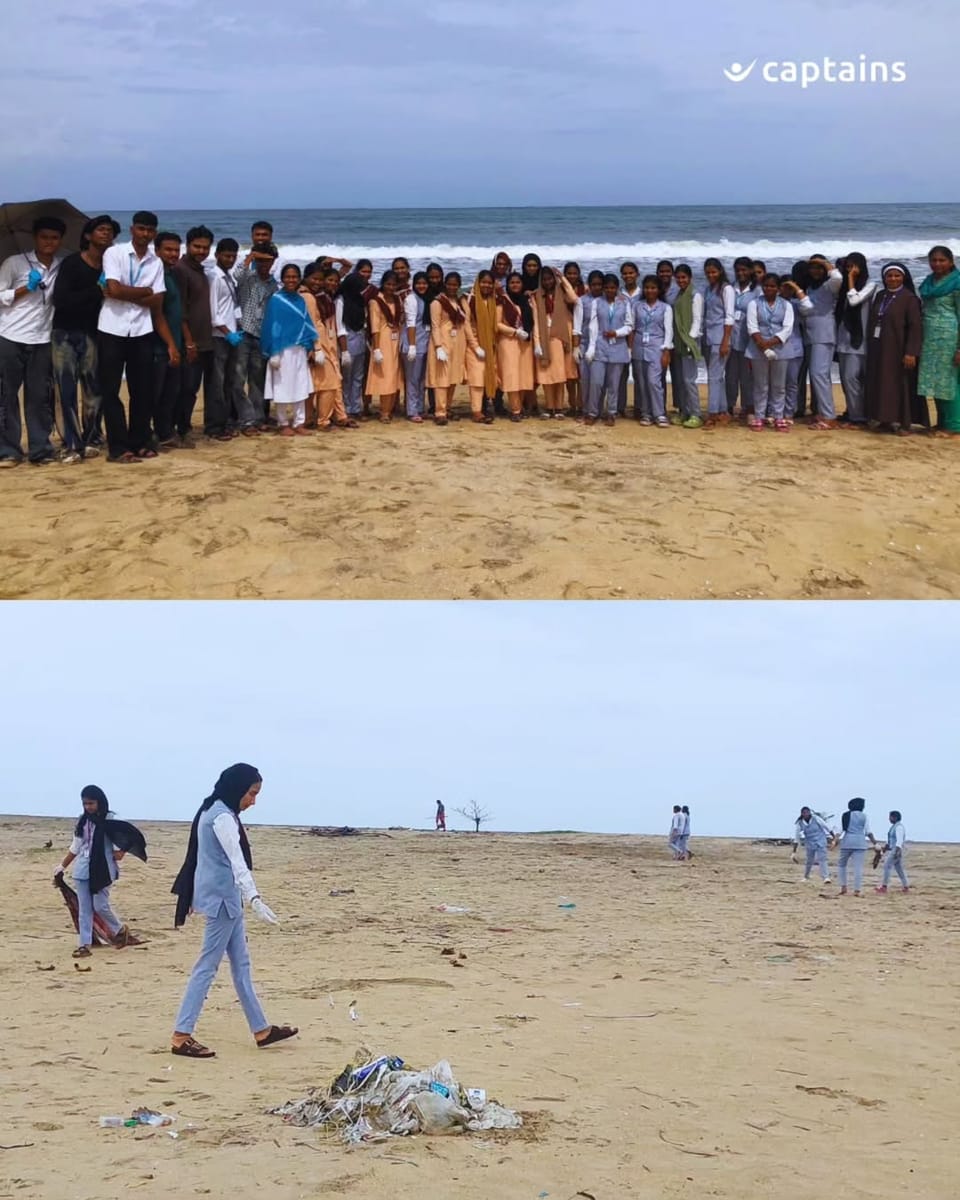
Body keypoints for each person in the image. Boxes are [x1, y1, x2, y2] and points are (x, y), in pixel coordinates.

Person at [170, 764, 298, 1059]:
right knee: (207, 966)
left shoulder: (211, 810)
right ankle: (181, 1035)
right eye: (252, 794)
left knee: (241, 966)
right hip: (223, 901)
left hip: (227, 899)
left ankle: (262, 1030)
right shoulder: (222, 818)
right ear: (237, 788)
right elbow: (236, 861)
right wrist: (254, 898)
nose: (253, 801)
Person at [98, 210, 165, 462]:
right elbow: (112, 289)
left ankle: (139, 442)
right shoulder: (114, 253)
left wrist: (126, 292)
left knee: (142, 391)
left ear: (154, 233)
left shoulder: (155, 262)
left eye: (149, 230)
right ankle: (118, 447)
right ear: (132, 229)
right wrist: (144, 291)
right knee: (111, 390)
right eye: (140, 228)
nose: (145, 234)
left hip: (141, 330)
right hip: (112, 328)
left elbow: (157, 299)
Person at [50, 215, 118, 463]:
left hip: (94, 332)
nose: (106, 234)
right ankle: (70, 443)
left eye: (110, 231)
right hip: (65, 334)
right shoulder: (71, 263)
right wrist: (96, 291)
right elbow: (62, 300)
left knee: (93, 390)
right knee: (65, 390)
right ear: (88, 235)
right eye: (101, 229)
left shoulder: (111, 267)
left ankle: (91, 438)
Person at [0, 215, 65, 467]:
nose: (49, 242)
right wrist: (23, 289)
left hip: (43, 338)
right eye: (44, 237)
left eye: (54, 238)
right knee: (6, 396)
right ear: (35, 238)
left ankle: (40, 448)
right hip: (10, 336)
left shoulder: (61, 265)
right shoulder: (14, 263)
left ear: (60, 240)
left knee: (39, 396)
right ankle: (8, 450)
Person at [54, 785, 147, 958]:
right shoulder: (83, 820)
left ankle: (119, 930)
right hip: (82, 869)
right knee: (85, 909)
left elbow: (130, 834)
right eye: (85, 804)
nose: (88, 807)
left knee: (100, 905)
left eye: (91, 803)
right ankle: (84, 945)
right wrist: (62, 866)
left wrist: (122, 851)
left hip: (103, 869)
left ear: (99, 801)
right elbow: (76, 846)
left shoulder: (111, 818)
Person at [865, 263, 923, 434]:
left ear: (903, 277)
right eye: (889, 276)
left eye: (897, 276)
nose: (893, 279)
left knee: (900, 385)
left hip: (899, 348)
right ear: (884, 278)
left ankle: (904, 422)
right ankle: (885, 419)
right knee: (882, 383)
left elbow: (915, 327)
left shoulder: (910, 298)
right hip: (879, 347)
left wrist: (911, 352)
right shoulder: (880, 295)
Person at [261, 264, 316, 436]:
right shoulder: (277, 299)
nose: (291, 280)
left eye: (294, 277)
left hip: (299, 348)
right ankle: (283, 422)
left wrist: (311, 346)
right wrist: (274, 352)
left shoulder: (300, 299)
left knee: (301, 384)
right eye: (288, 277)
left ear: (299, 278)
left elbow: (306, 324)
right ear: (282, 278)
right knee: (282, 385)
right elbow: (273, 326)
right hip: (282, 350)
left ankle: (299, 422)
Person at [175, 226, 216, 443]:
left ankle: (186, 427)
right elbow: (180, 310)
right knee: (186, 388)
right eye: (197, 246)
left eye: (205, 247)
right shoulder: (181, 270)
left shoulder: (201, 270)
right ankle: (181, 429)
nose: (201, 251)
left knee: (194, 389)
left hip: (205, 340)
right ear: (187, 245)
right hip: (190, 342)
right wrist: (189, 342)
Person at [235, 244, 279, 434]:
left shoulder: (273, 284)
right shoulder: (247, 278)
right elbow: (236, 275)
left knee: (257, 380)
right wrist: (251, 257)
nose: (264, 264)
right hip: (243, 332)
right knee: (237, 380)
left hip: (261, 335)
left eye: (268, 260)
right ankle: (246, 419)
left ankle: (258, 418)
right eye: (261, 260)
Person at [917, 246, 960, 436]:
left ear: (951, 262)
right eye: (933, 260)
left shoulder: (957, 283)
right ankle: (942, 422)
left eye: (942, 260)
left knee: (949, 381)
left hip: (950, 338)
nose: (937, 264)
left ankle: (954, 425)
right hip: (930, 338)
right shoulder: (928, 282)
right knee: (934, 381)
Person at [798, 255, 843, 430]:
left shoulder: (829, 286)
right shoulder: (810, 288)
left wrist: (822, 261)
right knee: (816, 375)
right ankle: (821, 412)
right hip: (811, 336)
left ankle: (829, 416)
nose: (815, 270)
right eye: (812, 267)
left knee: (819, 374)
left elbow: (838, 277)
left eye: (819, 267)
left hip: (824, 336)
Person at [745, 273, 795, 431]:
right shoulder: (754, 304)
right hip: (757, 348)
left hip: (781, 349)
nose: (769, 289)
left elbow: (787, 328)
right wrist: (763, 345)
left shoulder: (787, 305)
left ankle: (778, 416)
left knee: (779, 385)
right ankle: (759, 416)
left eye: (773, 286)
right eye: (766, 286)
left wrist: (770, 343)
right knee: (761, 384)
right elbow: (752, 326)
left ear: (779, 288)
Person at [151, 232, 185, 450]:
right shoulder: (155, 275)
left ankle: (165, 433)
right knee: (153, 393)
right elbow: (157, 314)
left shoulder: (171, 274)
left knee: (170, 393)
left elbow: (176, 312)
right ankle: (149, 436)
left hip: (174, 344)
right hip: (158, 345)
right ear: (157, 251)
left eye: (176, 250)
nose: (173, 254)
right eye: (168, 250)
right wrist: (170, 344)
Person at [585, 273, 634, 427]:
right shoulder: (597, 302)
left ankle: (611, 413)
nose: (609, 290)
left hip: (618, 347)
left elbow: (629, 325)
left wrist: (617, 333)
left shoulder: (624, 302)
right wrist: (592, 346)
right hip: (600, 345)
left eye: (612, 287)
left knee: (614, 384)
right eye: (606, 288)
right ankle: (593, 412)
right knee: (596, 382)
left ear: (617, 288)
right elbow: (593, 325)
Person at [207, 237, 243, 439]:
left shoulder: (229, 277)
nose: (230, 259)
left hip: (231, 334)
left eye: (233, 256)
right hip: (219, 337)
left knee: (229, 381)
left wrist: (236, 329)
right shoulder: (214, 277)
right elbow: (213, 313)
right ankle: (214, 426)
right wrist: (228, 333)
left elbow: (231, 307)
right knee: (217, 383)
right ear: (217, 255)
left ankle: (226, 422)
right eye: (226, 255)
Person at [834, 252, 875, 429]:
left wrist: (850, 279)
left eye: (853, 266)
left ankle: (859, 417)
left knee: (854, 378)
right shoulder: (843, 288)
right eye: (848, 267)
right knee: (846, 379)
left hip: (859, 340)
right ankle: (853, 412)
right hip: (843, 339)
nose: (850, 270)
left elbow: (854, 300)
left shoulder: (870, 285)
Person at [532, 266, 577, 418]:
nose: (547, 282)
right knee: (547, 376)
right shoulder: (536, 296)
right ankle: (549, 406)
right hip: (545, 339)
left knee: (559, 376)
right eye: (544, 279)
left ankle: (558, 407)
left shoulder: (561, 293)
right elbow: (536, 321)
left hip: (560, 339)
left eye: (550, 278)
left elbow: (574, 298)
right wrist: (537, 343)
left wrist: (562, 279)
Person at [630, 274, 674, 427]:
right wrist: (630, 348)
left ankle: (659, 413)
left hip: (657, 345)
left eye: (653, 288)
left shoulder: (665, 308)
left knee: (654, 381)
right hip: (639, 345)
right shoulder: (637, 305)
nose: (650, 291)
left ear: (659, 290)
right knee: (641, 382)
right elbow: (632, 327)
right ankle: (646, 413)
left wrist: (666, 350)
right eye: (647, 288)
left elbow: (669, 331)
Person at [309, 268, 350, 430]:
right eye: (329, 280)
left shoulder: (329, 299)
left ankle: (339, 415)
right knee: (327, 383)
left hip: (331, 344)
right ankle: (322, 420)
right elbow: (312, 324)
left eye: (336, 281)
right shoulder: (313, 299)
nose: (332, 283)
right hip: (319, 344)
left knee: (333, 382)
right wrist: (316, 347)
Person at [427, 271, 467, 426]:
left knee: (452, 378)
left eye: (455, 285)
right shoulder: (437, 302)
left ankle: (448, 407)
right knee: (442, 379)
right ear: (445, 284)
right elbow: (435, 326)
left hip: (456, 343)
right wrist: (438, 346)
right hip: (442, 343)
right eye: (449, 284)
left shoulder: (458, 301)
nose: (452, 287)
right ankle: (440, 412)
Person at [496, 272, 536, 422]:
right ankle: (515, 409)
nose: (515, 285)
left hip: (526, 343)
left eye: (518, 282)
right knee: (512, 375)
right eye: (512, 282)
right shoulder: (502, 302)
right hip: (508, 342)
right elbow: (497, 324)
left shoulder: (527, 302)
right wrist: (514, 332)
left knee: (524, 376)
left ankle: (521, 406)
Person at [700, 258, 734, 428]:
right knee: (717, 376)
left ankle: (712, 414)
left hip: (720, 338)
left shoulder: (726, 289)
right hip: (708, 337)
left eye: (713, 272)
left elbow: (729, 316)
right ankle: (723, 410)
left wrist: (725, 341)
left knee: (713, 377)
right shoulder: (708, 289)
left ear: (720, 271)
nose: (710, 275)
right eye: (708, 272)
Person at [367, 269, 404, 422]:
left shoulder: (397, 300)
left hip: (396, 340)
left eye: (393, 285)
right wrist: (376, 349)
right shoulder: (375, 301)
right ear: (383, 284)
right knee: (385, 377)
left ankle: (390, 409)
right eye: (388, 284)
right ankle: (383, 411)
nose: (391, 287)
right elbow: (374, 326)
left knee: (394, 376)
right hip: (382, 342)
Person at [464, 270, 498, 424]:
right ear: (478, 283)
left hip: (491, 344)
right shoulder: (469, 300)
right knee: (477, 379)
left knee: (489, 376)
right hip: (474, 345)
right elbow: (467, 326)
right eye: (483, 282)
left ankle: (486, 407)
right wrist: (476, 346)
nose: (486, 285)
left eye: (489, 283)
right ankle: (476, 411)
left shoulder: (494, 300)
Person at [726, 256, 759, 420]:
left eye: (744, 270)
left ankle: (749, 407)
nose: (741, 273)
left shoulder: (757, 290)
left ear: (751, 270)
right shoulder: (730, 288)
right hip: (731, 337)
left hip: (749, 338)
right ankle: (729, 405)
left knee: (748, 376)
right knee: (731, 375)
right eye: (738, 270)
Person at [671, 264, 704, 428]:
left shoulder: (695, 294)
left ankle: (696, 414)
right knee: (681, 380)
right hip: (679, 341)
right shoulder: (679, 293)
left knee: (689, 380)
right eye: (678, 277)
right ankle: (684, 410)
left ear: (690, 278)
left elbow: (697, 320)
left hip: (689, 342)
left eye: (683, 277)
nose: (681, 280)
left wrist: (691, 341)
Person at [337, 270, 370, 422]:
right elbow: (340, 326)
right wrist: (344, 351)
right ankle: (345, 407)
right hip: (347, 341)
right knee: (346, 378)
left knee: (358, 377)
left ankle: (356, 408)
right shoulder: (341, 301)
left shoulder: (360, 300)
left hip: (360, 340)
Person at [572, 270, 603, 422]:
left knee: (598, 381)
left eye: (599, 284)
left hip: (602, 345)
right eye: (593, 284)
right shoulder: (581, 301)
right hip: (584, 344)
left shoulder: (608, 300)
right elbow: (577, 325)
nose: (596, 287)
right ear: (588, 285)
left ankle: (596, 410)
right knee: (585, 380)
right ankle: (585, 410)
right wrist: (576, 347)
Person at [403, 271, 431, 422]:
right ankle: (412, 410)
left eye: (424, 283)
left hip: (425, 343)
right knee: (413, 378)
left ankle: (420, 407)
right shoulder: (411, 299)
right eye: (419, 283)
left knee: (421, 379)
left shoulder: (426, 299)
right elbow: (410, 323)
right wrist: (412, 345)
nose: (422, 286)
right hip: (413, 344)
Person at [837, 797, 877, 897]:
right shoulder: (864, 816)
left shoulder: (846, 815)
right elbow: (868, 832)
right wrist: (875, 843)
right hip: (860, 842)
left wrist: (835, 841)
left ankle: (843, 887)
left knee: (842, 865)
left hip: (847, 842)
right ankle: (857, 890)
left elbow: (841, 830)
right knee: (858, 868)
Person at [617, 261, 642, 415]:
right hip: (621, 339)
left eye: (631, 273)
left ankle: (640, 407)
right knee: (620, 376)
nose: (628, 276)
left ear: (637, 274)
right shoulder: (618, 294)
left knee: (639, 375)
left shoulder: (643, 293)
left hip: (640, 339)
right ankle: (620, 408)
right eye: (625, 273)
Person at [792, 806, 834, 883]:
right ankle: (806, 876)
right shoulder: (800, 823)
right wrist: (794, 852)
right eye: (804, 813)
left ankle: (826, 877)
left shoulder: (816, 818)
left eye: (807, 812)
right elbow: (797, 837)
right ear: (802, 814)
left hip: (820, 841)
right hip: (809, 842)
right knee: (809, 860)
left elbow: (826, 827)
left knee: (822, 859)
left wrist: (833, 837)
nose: (806, 814)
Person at [876, 810, 909, 894]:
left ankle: (884, 887)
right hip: (895, 849)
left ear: (895, 817)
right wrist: (884, 849)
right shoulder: (894, 827)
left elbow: (899, 840)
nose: (889, 819)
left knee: (887, 866)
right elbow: (890, 840)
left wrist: (897, 851)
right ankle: (905, 886)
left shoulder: (899, 827)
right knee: (899, 869)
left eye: (890, 817)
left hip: (896, 849)